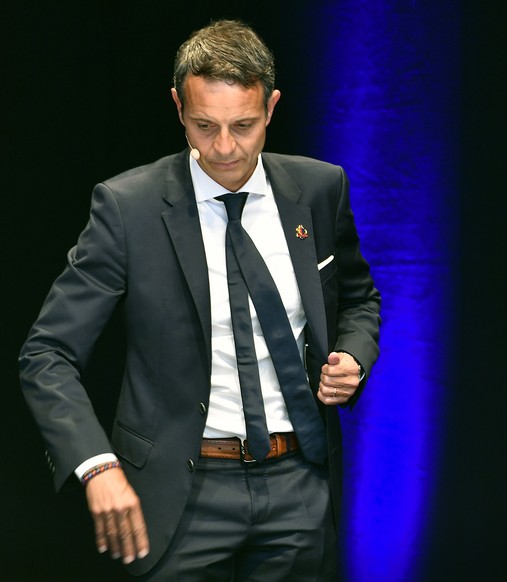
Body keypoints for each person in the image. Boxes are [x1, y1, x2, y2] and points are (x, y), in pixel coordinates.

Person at [19, 19, 380, 580]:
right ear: (177, 106)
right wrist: (95, 465)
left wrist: (354, 356)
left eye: (244, 125)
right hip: (178, 497)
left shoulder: (318, 189)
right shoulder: (128, 207)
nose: (225, 147)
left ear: (272, 106)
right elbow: (47, 354)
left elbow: (358, 298)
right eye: (203, 125)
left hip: (298, 487)